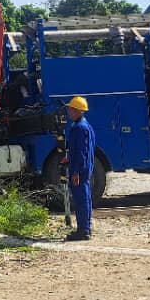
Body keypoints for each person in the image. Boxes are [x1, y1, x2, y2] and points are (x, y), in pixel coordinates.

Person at [64, 95, 96, 242]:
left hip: (80, 169)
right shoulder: (86, 125)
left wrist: (76, 171)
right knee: (86, 198)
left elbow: (81, 152)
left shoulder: (78, 128)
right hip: (86, 167)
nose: (69, 112)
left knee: (81, 200)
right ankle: (86, 227)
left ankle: (83, 231)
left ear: (78, 111)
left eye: (71, 109)